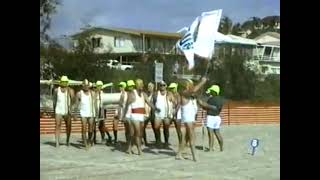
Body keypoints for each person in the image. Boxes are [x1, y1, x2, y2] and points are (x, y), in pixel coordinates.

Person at [176, 77, 208, 161]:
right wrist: (202, 82)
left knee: (186, 137)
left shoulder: (189, 95)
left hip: (190, 118)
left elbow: (195, 93)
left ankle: (179, 154)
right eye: (190, 84)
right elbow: (194, 90)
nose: (192, 85)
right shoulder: (184, 93)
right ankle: (194, 155)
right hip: (187, 119)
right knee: (191, 136)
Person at [123, 79, 158, 155]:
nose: (142, 85)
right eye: (140, 84)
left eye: (142, 84)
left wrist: (155, 108)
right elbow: (126, 105)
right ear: (137, 85)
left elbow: (149, 103)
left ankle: (129, 148)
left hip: (141, 115)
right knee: (137, 133)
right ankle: (139, 150)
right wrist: (124, 116)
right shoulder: (132, 94)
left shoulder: (144, 94)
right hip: (134, 116)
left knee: (136, 134)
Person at [197, 85, 224, 152]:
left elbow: (207, 107)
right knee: (217, 133)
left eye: (211, 91)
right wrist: (203, 105)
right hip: (217, 117)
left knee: (210, 133)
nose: (210, 92)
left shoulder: (211, 99)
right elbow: (215, 108)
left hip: (211, 117)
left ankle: (211, 148)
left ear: (214, 91)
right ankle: (221, 148)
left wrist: (201, 104)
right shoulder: (220, 99)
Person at [53, 76, 75, 148]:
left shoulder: (70, 90)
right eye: (63, 82)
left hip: (67, 111)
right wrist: (54, 111)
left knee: (68, 127)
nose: (64, 84)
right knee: (57, 125)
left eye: (65, 82)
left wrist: (71, 108)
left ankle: (67, 140)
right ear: (60, 82)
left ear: (67, 83)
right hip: (58, 110)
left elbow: (73, 101)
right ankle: (57, 142)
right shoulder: (56, 90)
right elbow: (54, 101)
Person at [153, 81, 175, 148]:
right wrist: (155, 108)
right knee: (156, 127)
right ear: (159, 86)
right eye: (161, 85)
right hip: (158, 114)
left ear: (166, 86)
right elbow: (152, 102)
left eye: (163, 85)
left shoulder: (169, 93)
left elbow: (174, 102)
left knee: (166, 128)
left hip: (166, 114)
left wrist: (172, 112)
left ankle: (166, 142)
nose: (162, 86)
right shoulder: (156, 94)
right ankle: (158, 141)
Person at [75, 79, 96, 150]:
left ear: (88, 86)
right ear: (82, 85)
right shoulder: (79, 93)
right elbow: (77, 105)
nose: (86, 87)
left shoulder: (92, 93)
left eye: (87, 85)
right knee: (84, 128)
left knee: (90, 129)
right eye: (84, 85)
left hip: (91, 112)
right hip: (83, 113)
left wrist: (96, 114)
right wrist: (75, 114)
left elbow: (95, 104)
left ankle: (89, 141)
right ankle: (85, 143)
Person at [93, 80, 112, 145]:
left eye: (99, 86)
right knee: (94, 125)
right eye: (97, 86)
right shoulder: (94, 93)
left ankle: (105, 137)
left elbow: (105, 103)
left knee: (102, 126)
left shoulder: (102, 93)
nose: (98, 87)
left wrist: (104, 112)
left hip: (101, 111)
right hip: (95, 110)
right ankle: (94, 139)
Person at [168, 82, 183, 152]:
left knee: (178, 129)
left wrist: (175, 112)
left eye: (173, 88)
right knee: (166, 126)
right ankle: (166, 141)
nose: (171, 89)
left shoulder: (178, 95)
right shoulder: (170, 94)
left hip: (177, 114)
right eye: (171, 88)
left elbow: (179, 104)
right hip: (171, 113)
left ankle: (181, 142)